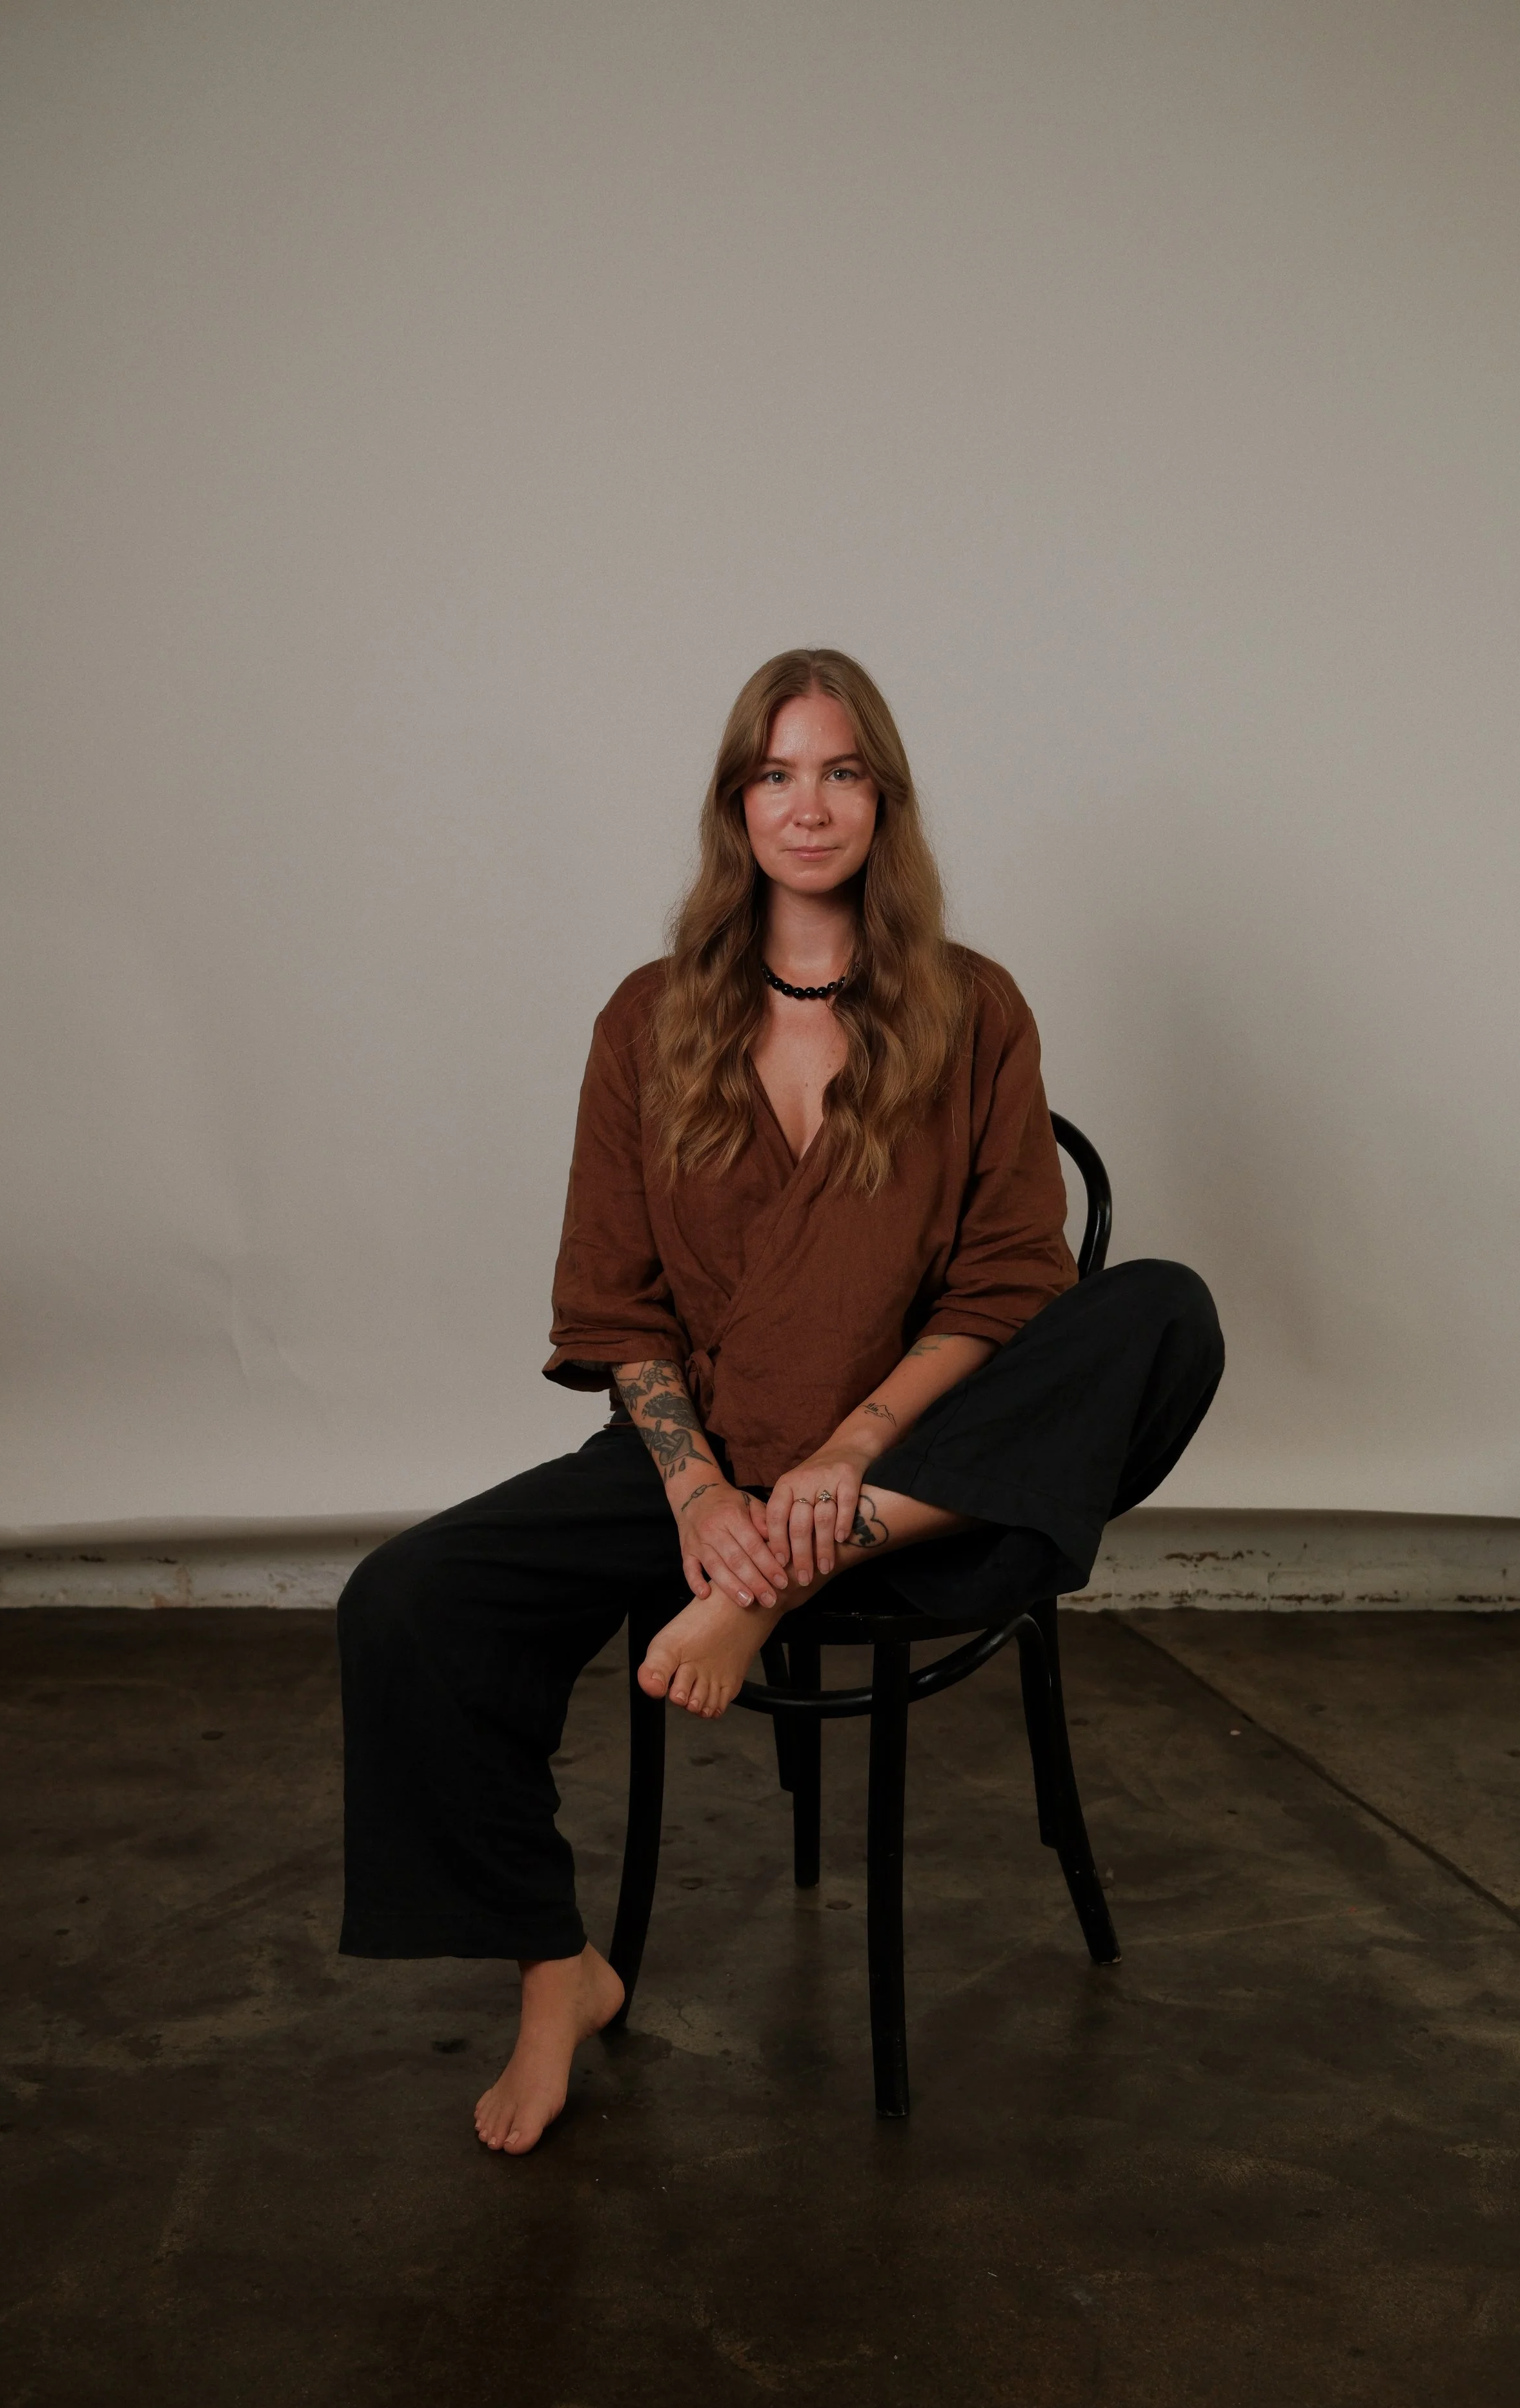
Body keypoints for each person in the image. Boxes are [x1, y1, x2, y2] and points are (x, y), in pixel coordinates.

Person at [338, 648, 1224, 2156]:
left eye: (839, 772)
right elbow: (615, 1304)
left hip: (914, 1478)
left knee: (1162, 1308)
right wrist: (697, 1491)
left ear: (882, 801)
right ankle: (557, 1969)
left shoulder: (971, 1008)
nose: (806, 807)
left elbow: (1010, 1282)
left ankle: (785, 1574)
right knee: (404, 1604)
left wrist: (850, 1453)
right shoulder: (646, 1020)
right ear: (734, 805)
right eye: (773, 774)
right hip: (698, 1458)